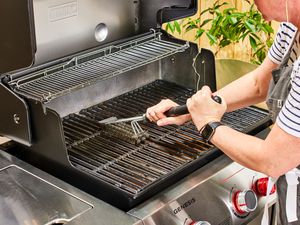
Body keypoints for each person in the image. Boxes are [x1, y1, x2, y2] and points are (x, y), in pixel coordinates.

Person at [146, 0, 300, 224]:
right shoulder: (291, 25)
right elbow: (260, 83)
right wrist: (192, 110)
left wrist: (209, 124)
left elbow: (274, 159)